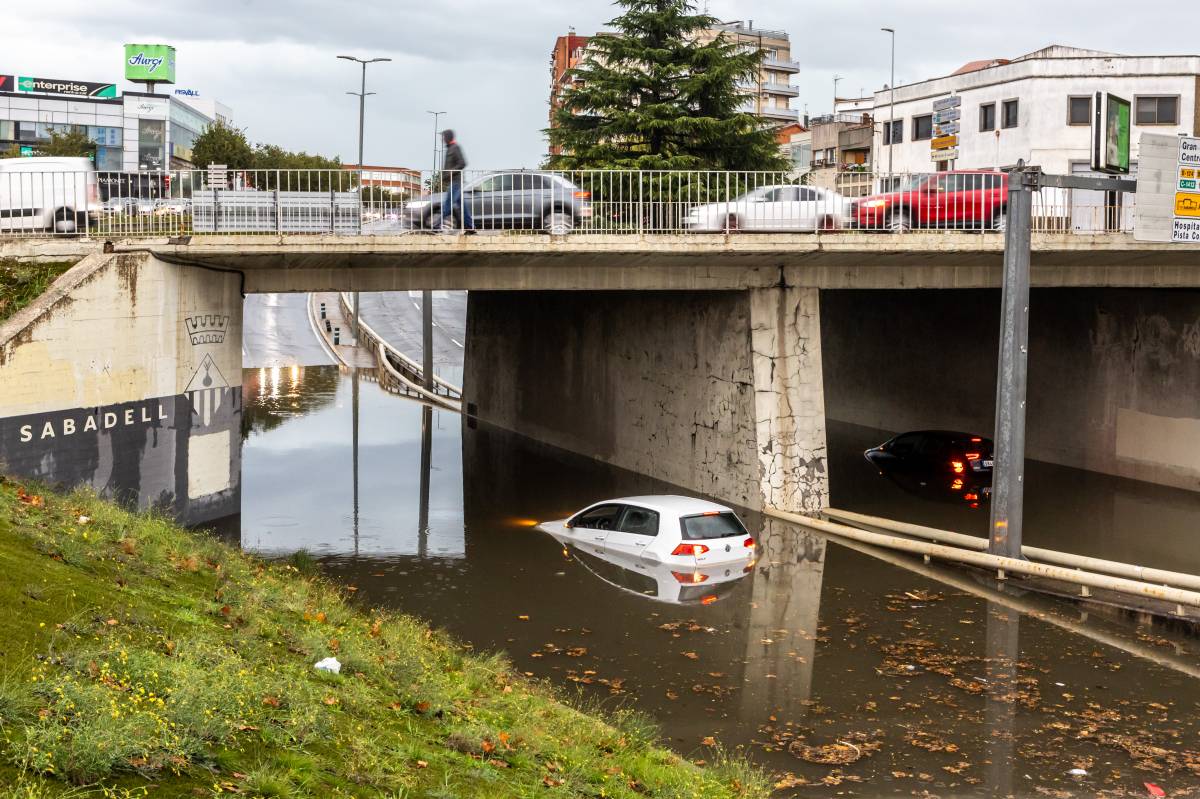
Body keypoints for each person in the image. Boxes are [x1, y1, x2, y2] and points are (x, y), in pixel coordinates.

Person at [441, 129, 474, 233]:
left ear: (448, 137)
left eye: (443, 137)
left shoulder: (455, 148)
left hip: (456, 182)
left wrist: (450, 173)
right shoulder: (450, 148)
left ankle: (437, 226)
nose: (442, 139)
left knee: (447, 205)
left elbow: (462, 163)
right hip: (453, 181)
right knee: (462, 207)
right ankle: (470, 227)